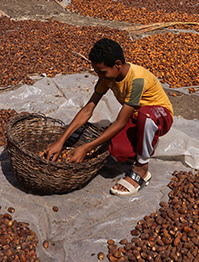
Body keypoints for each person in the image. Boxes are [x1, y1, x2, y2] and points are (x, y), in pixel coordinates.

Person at [45, 38, 173, 196]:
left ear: (117, 64)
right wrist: (61, 141)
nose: (99, 76)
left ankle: (142, 168)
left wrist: (86, 148)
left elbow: (120, 122)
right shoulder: (107, 77)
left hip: (158, 114)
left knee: (144, 117)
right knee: (119, 152)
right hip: (136, 116)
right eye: (97, 72)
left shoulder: (137, 80)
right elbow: (88, 109)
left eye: (102, 72)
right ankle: (143, 140)